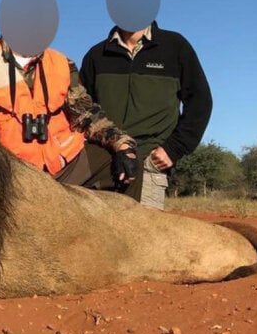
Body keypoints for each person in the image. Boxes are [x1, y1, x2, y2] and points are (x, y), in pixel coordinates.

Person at [0, 37, 138, 190]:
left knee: (129, 164)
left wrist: (123, 145)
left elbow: (86, 113)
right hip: (8, 172)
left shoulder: (62, 63)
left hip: (63, 165)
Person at [80, 21, 212, 209]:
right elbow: (84, 111)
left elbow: (200, 102)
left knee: (141, 236)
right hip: (103, 163)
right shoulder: (96, 55)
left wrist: (173, 149)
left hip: (149, 162)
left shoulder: (175, 46)